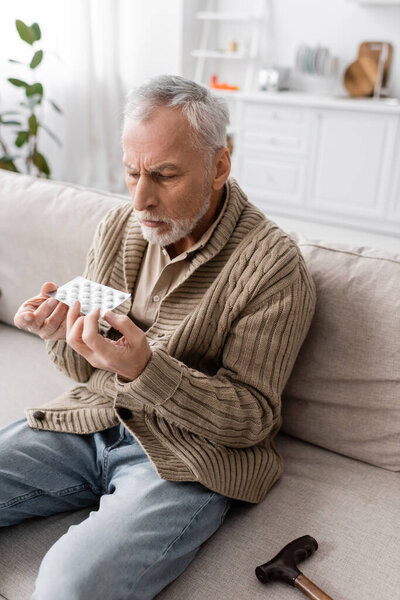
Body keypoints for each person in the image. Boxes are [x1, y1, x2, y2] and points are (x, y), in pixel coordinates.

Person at [5, 75, 317, 600]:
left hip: (189, 459)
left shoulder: (273, 267)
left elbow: (252, 417)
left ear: (220, 164)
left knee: (70, 586)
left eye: (165, 175)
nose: (142, 198)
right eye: (131, 173)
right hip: (91, 421)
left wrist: (145, 370)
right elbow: (85, 369)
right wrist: (61, 333)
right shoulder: (119, 228)